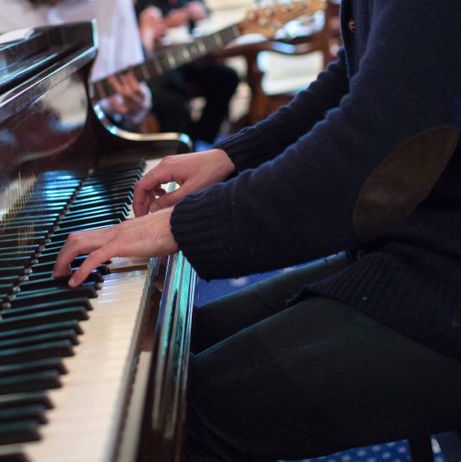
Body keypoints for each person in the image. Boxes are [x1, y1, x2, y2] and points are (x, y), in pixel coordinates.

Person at [53, 1, 461, 460]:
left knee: (161, 417)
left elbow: (376, 147)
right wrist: (231, 156)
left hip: (442, 278)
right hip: (414, 249)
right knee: (173, 350)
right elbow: (354, 76)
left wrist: (187, 224)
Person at [0, 0, 152, 128]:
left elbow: (135, 93)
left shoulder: (113, 4)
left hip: (102, 138)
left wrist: (136, 106)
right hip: (18, 159)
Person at [136, 0, 239, 146]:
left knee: (227, 77)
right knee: (171, 94)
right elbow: (140, 52)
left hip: (191, 62)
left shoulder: (190, 2)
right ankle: (185, 146)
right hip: (161, 67)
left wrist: (202, 13)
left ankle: (204, 139)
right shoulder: (145, 5)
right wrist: (163, 24)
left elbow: (206, 26)